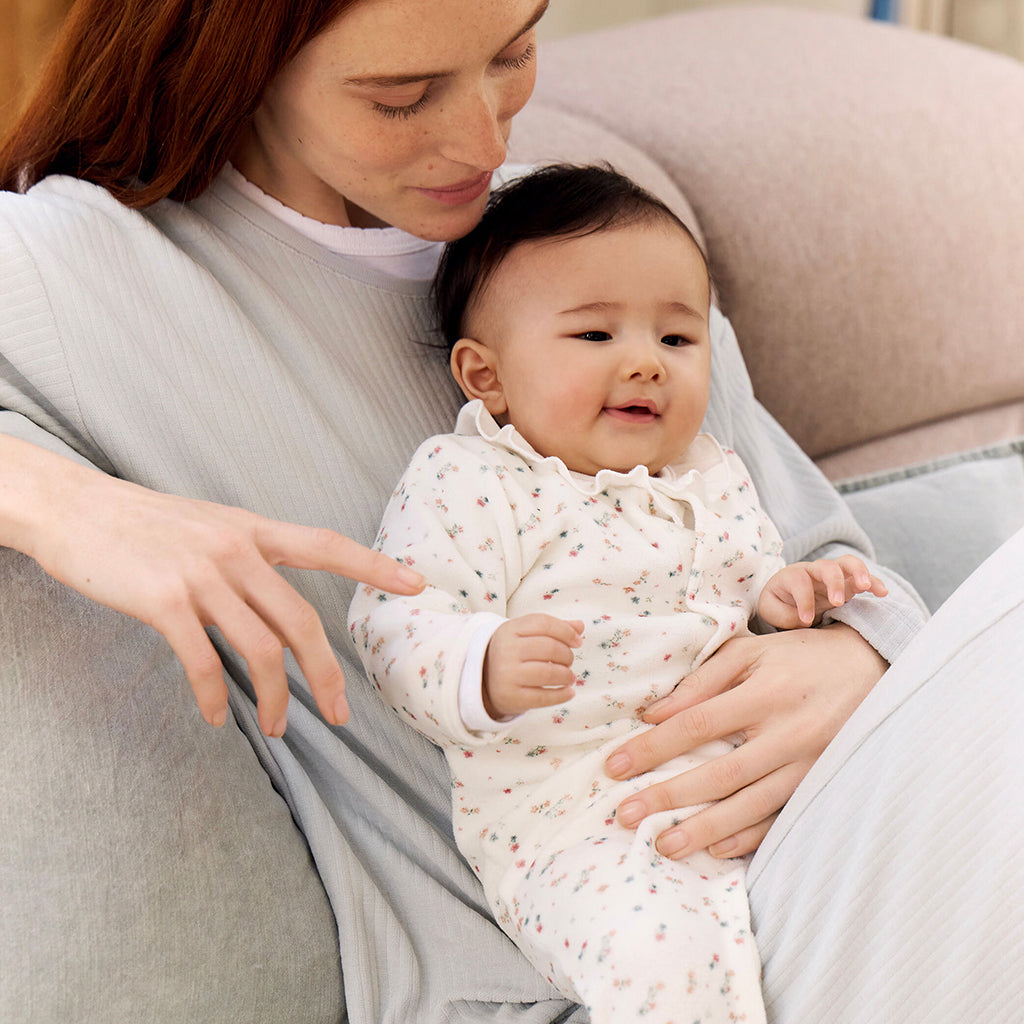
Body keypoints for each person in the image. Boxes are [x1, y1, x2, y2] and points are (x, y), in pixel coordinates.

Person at [0, 1, 1021, 1022]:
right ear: (235, 53)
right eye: (401, 98)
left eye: (514, 51)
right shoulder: (82, 273)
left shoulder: (589, 246)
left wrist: (857, 651)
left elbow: (812, 546)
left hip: (815, 843)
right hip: (588, 959)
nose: (487, 141)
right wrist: (64, 504)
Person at [347, 163, 891, 1023]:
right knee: (660, 963)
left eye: (676, 341)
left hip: (754, 778)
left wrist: (792, 596)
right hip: (583, 820)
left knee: (892, 867)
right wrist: (479, 665)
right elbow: (391, 621)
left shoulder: (709, 476)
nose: (645, 364)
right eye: (596, 337)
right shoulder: (476, 480)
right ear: (485, 376)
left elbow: (753, 593)